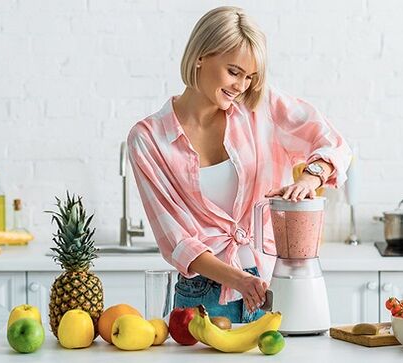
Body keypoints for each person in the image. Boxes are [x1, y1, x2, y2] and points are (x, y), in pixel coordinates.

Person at [127, 6, 352, 323]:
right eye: (234, 72)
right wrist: (238, 281)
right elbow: (177, 241)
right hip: (202, 297)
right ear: (200, 57)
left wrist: (309, 180)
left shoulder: (262, 108)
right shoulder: (148, 139)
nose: (241, 86)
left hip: (273, 283)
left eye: (250, 77)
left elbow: (333, 142)